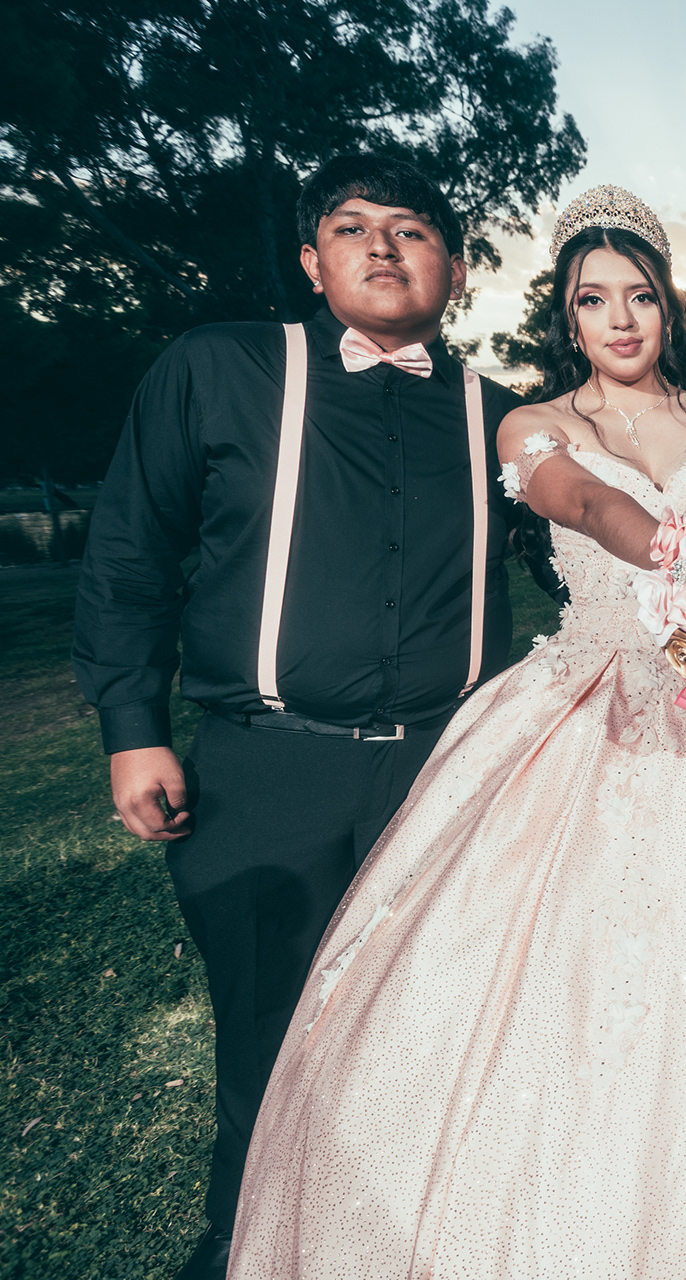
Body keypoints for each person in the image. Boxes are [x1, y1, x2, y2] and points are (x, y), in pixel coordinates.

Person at [227, 185, 686, 1280]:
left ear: (668, 304)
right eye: (592, 299)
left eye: (638, 294)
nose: (619, 319)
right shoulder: (536, 424)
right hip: (594, 690)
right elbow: (587, 506)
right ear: (566, 315)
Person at [71, 154, 519, 1280]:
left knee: (435, 1031)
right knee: (268, 1031)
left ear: (456, 269)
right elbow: (131, 549)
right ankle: (244, 1239)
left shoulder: (506, 419)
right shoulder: (218, 367)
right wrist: (132, 723)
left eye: (411, 229)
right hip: (265, 769)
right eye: (353, 227)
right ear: (313, 262)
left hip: (447, 772)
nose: (383, 246)